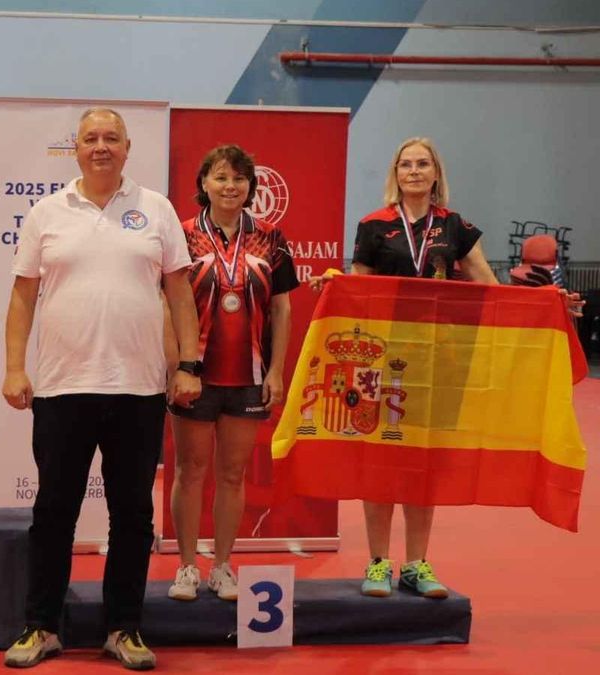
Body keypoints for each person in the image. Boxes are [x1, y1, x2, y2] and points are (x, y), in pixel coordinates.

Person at [1, 108, 202, 670]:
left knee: (133, 515)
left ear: (128, 147)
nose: (100, 146)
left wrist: (189, 364)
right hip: (63, 388)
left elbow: (181, 294)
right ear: (76, 149)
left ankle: (124, 628)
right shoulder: (47, 212)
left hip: (138, 389)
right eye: (90, 138)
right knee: (54, 512)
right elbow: (22, 298)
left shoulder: (156, 209)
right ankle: (41, 626)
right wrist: (15, 367)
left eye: (111, 138)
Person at [318, 136, 497, 598]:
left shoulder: (455, 227)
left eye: (422, 164)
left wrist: (547, 301)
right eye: (405, 164)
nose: (414, 171)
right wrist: (334, 285)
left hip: (438, 360)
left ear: (436, 173)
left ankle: (417, 563)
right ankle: (378, 562)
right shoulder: (373, 226)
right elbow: (360, 293)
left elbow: (490, 287)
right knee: (380, 461)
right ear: (395, 174)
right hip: (381, 361)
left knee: (422, 463)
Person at [165, 145, 297, 603]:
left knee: (233, 474)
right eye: (221, 177)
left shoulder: (270, 238)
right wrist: (177, 368)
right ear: (204, 183)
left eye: (239, 179)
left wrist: (277, 371)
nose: (230, 186)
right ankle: (185, 566)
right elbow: (168, 305)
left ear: (250, 188)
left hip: (248, 375)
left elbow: (282, 308)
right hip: (195, 374)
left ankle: (222, 565)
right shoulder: (180, 235)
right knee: (190, 468)